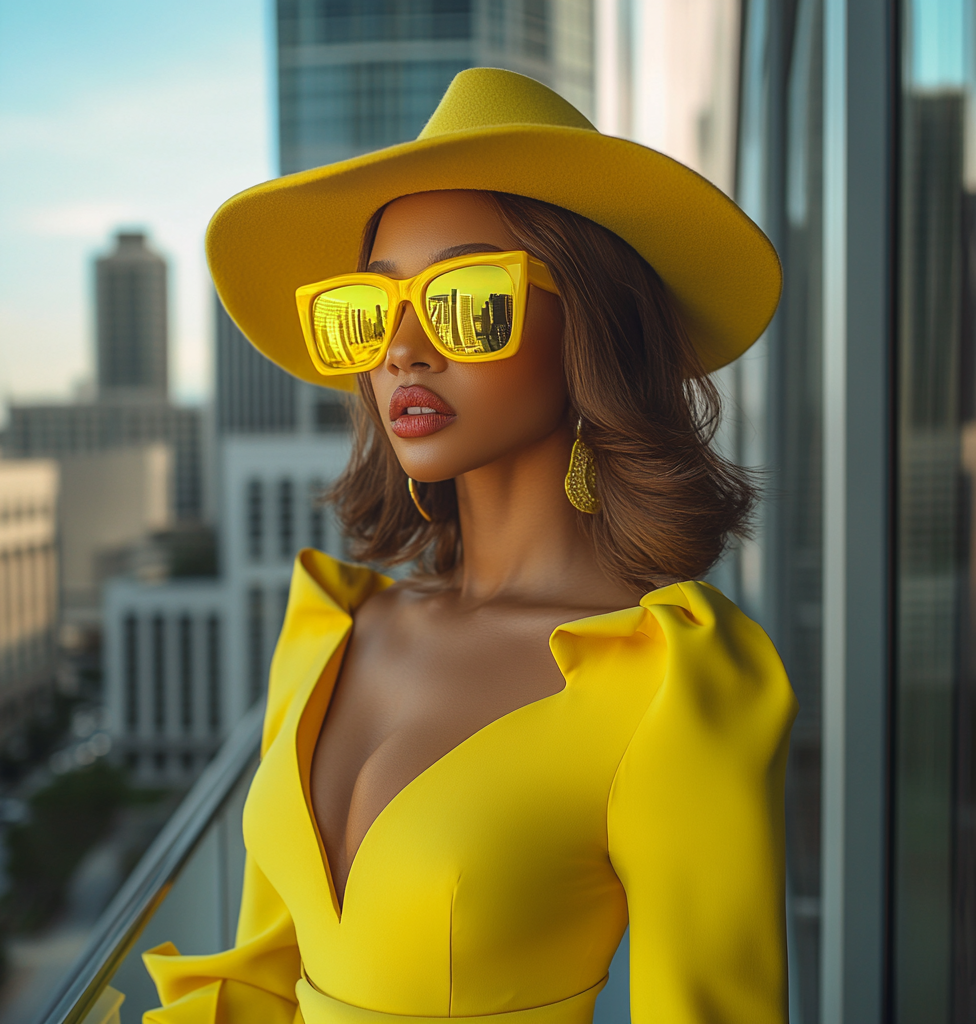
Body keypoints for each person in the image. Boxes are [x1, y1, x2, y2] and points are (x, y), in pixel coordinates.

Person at [143, 68, 798, 1024]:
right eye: (370, 311)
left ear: (591, 325)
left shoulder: (673, 683)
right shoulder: (330, 628)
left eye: (467, 300)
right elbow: (253, 982)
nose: (403, 349)